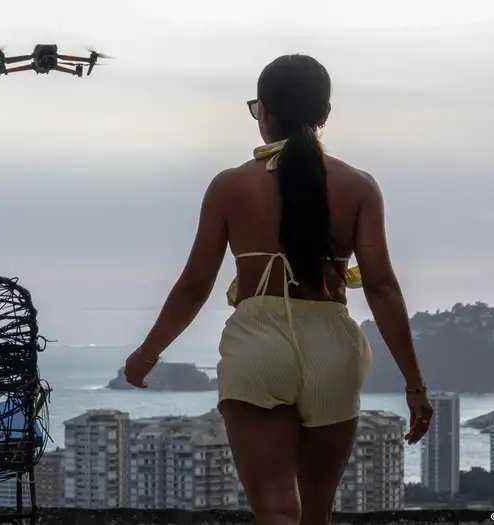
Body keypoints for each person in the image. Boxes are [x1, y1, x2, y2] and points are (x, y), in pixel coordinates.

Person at [122, 54, 432, 525]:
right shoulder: (358, 188)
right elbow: (382, 286)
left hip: (257, 345)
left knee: (276, 511)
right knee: (316, 514)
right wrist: (414, 385)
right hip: (333, 347)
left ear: (264, 112)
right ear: (325, 114)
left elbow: (195, 286)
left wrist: (147, 354)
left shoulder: (230, 187)